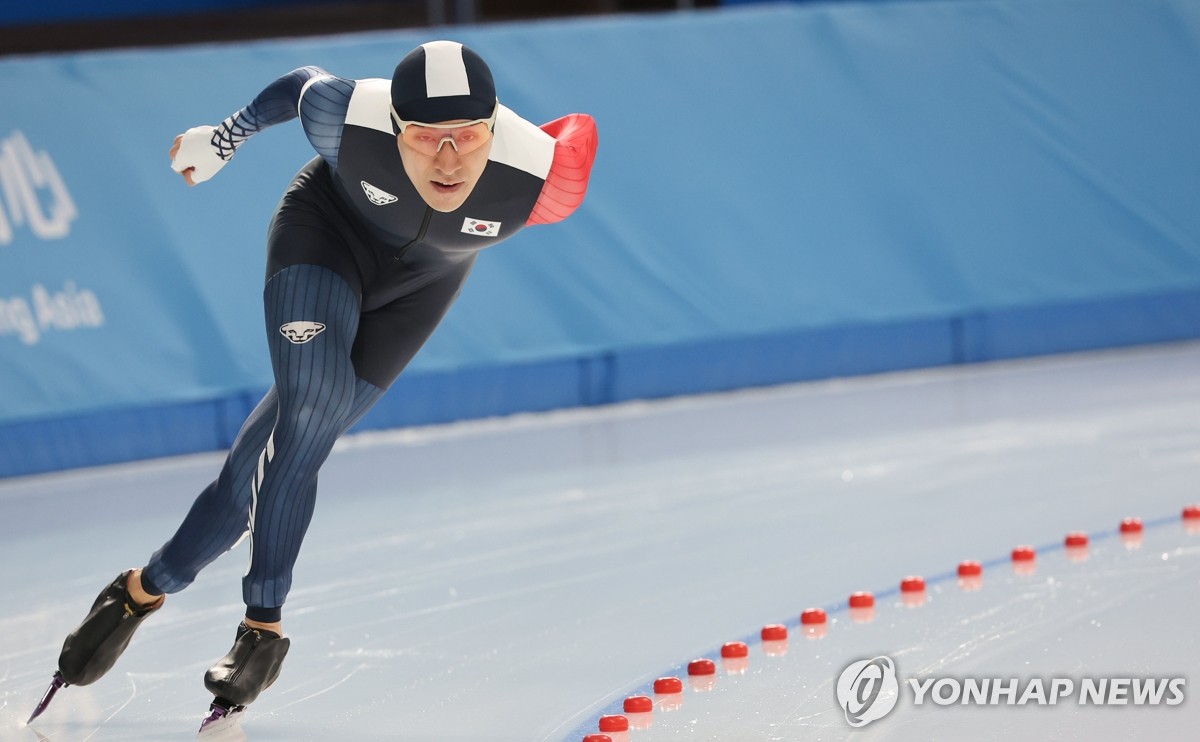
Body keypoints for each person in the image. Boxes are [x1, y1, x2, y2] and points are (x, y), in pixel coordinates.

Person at [29, 39, 597, 728]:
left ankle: (140, 590)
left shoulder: (544, 178)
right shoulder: (347, 116)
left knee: (256, 479)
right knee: (311, 407)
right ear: (393, 126)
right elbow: (301, 84)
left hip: (425, 286)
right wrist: (226, 137)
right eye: (425, 138)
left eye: (467, 138)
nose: (448, 161)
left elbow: (576, 134)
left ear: (493, 127)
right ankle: (261, 630)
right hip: (323, 238)